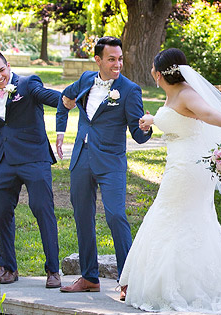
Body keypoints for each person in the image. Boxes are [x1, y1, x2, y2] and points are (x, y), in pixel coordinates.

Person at [117, 48, 221, 315]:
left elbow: (209, 114)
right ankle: (163, 283)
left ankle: (179, 288)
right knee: (176, 217)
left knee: (175, 217)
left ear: (158, 73)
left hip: (188, 168)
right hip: (179, 164)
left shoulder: (186, 93)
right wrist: (153, 120)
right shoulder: (175, 94)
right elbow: (181, 119)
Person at [53, 36, 153, 293]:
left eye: (120, 59)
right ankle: (89, 277)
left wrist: (146, 125)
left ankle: (128, 281)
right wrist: (61, 131)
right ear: (98, 60)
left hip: (111, 161)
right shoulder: (87, 79)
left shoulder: (130, 90)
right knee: (82, 217)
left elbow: (139, 135)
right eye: (111, 59)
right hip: (82, 157)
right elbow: (64, 99)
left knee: (116, 215)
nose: (117, 64)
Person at [0, 50, 63, 286]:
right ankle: (8, 267)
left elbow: (49, 96)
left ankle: (53, 270)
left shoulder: (28, 84)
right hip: (5, 161)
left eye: (1, 70)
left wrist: (70, 98)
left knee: (42, 210)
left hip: (34, 159)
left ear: (8, 65)